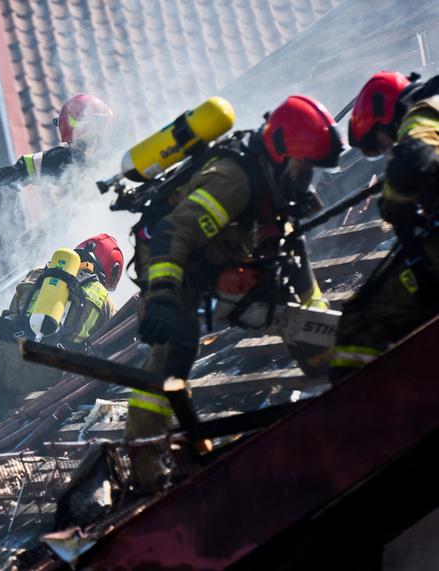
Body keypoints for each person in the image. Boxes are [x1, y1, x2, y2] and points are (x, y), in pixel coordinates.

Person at [129, 95, 344, 443]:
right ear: (279, 154)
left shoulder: (274, 183)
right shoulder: (232, 182)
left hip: (219, 243)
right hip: (166, 254)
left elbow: (293, 251)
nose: (308, 182)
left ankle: (335, 385)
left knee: (292, 311)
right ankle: (144, 449)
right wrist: (163, 299)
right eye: (305, 170)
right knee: (175, 342)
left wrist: (317, 315)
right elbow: (173, 234)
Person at [0, 234, 123, 429]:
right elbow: (109, 349)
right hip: (50, 378)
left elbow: (7, 320)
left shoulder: (38, 275)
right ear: (110, 271)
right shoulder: (105, 300)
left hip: (3, 363)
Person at [330, 71, 439, 382]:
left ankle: (356, 414)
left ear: (386, 114)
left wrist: (395, 210)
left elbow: (413, 159)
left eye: (381, 141)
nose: (390, 147)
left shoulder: (424, 111)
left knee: (362, 319)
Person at [0, 93, 114, 196]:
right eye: (72, 143)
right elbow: (30, 165)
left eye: (80, 142)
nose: (75, 150)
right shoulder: (71, 159)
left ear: (96, 130)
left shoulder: (116, 158)